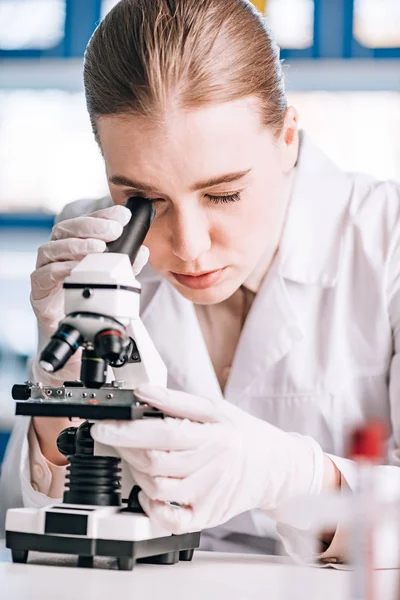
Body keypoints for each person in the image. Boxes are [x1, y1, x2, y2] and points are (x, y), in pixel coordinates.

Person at [1, 0, 400, 564]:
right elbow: (21, 520)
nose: (189, 245)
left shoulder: (386, 238)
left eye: (224, 194)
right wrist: (60, 392)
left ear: (287, 138)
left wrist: (297, 477)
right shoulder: (94, 252)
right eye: (145, 200)